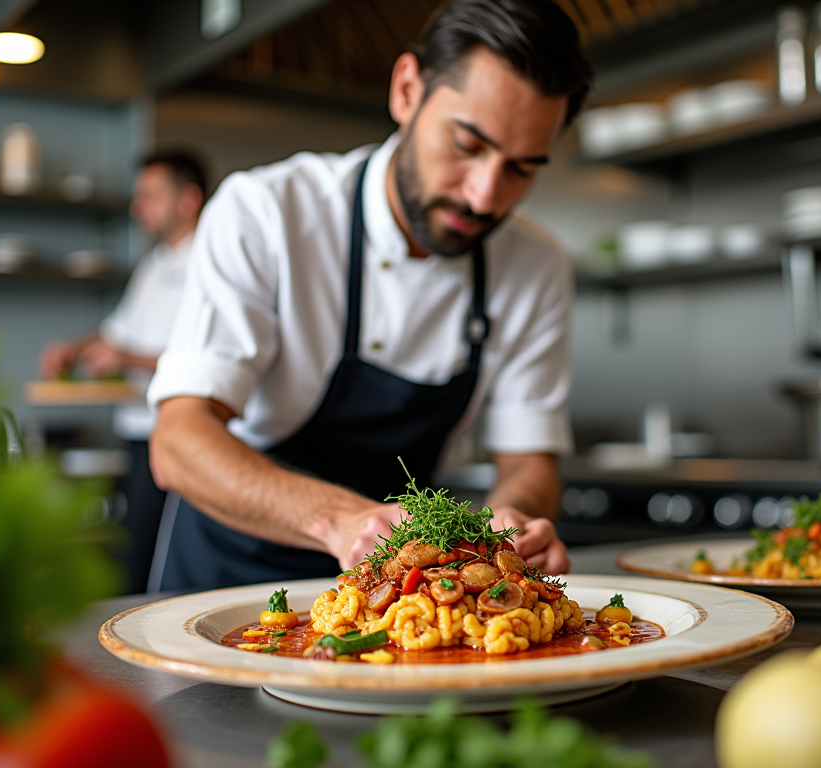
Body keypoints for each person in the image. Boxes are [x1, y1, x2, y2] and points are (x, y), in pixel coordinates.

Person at [146, 0, 592, 591]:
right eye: (466, 145)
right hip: (228, 577)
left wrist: (514, 524)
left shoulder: (534, 265)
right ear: (407, 90)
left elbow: (529, 462)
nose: (484, 197)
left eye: (522, 168)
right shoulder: (267, 212)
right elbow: (177, 442)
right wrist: (344, 523)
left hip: (401, 600)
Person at [38, 152, 206, 594]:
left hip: (175, 434)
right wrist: (73, 348)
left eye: (150, 196)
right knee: (132, 553)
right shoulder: (153, 265)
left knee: (155, 566)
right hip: (136, 431)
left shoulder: (211, 260)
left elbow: (204, 355)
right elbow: (117, 332)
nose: (138, 207)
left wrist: (126, 359)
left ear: (188, 200)